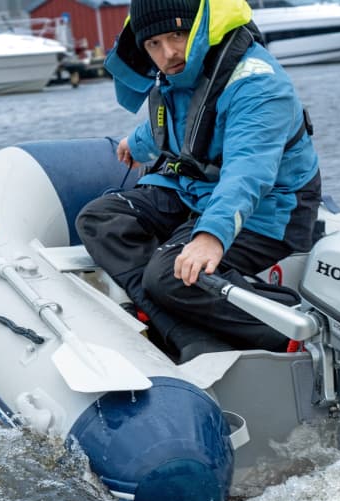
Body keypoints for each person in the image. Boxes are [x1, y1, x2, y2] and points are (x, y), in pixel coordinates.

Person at [76, 0, 321, 362]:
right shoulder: (185, 72)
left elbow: (247, 173)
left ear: (201, 28)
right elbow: (180, 122)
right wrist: (137, 143)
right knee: (100, 219)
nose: (168, 52)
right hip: (199, 194)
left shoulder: (257, 84)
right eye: (153, 44)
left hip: (272, 211)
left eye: (178, 34)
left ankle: (291, 326)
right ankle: (183, 328)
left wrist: (210, 237)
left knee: (169, 276)